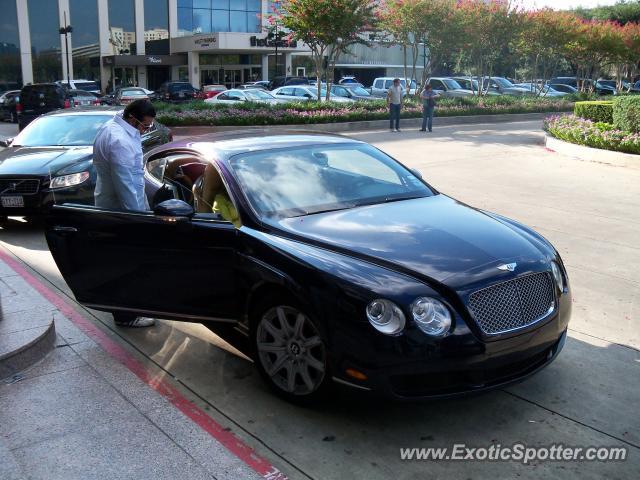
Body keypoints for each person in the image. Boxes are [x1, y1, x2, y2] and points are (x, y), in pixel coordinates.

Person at [93, 99, 157, 328]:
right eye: (145, 126)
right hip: (121, 213)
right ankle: (126, 316)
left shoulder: (113, 128)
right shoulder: (119, 141)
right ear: (133, 118)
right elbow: (126, 187)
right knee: (125, 265)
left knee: (116, 263)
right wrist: (139, 221)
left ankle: (121, 308)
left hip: (110, 206)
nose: (145, 130)